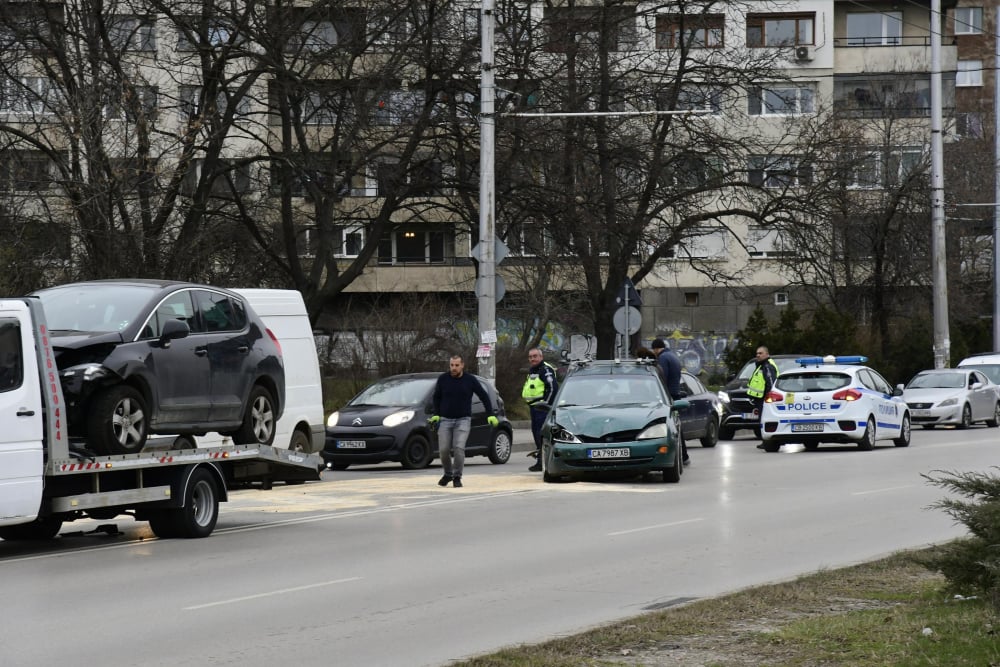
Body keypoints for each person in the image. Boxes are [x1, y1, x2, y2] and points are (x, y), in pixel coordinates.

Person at [428, 354, 499, 488]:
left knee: (459, 447)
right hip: (445, 420)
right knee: (443, 450)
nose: (453, 368)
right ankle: (448, 473)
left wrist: (490, 414)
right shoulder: (443, 379)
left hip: (463, 420)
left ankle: (457, 476)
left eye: (456, 365)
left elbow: (483, 396)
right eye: (451, 365)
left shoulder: (470, 380)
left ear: (462, 365)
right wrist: (436, 414)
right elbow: (436, 398)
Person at [650, 338, 689, 466]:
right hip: (676, 394)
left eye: (653, 350)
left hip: (669, 397)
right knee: (677, 425)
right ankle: (684, 456)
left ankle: (679, 457)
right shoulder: (673, 356)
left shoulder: (663, 359)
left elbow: (662, 378)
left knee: (669, 428)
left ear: (656, 349)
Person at [522, 347, 558, 472]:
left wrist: (546, 405)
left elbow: (553, 388)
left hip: (542, 409)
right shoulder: (533, 370)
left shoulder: (545, 369)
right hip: (534, 408)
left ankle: (543, 462)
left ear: (541, 357)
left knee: (541, 435)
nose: (532, 359)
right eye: (530, 357)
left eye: (535, 356)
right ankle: (540, 461)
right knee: (537, 435)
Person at [746, 346, 779, 449]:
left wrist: (768, 398)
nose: (758, 355)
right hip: (760, 399)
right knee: (762, 420)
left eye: (760, 353)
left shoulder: (767, 366)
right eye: (757, 353)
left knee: (764, 420)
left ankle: (767, 442)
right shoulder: (762, 365)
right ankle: (765, 441)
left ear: (767, 354)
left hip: (765, 399)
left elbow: (770, 382)